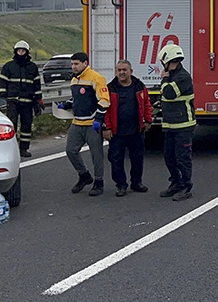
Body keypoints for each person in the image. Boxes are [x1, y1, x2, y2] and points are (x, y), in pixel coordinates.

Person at [57, 52, 110, 197]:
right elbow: (77, 99)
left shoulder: (96, 78)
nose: (73, 67)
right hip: (77, 122)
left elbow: (104, 100)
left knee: (96, 155)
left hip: (92, 123)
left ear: (85, 63)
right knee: (70, 150)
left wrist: (98, 119)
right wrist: (66, 104)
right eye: (72, 64)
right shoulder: (74, 80)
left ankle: (99, 182)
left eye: (76, 64)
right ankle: (84, 175)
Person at [103, 60, 153, 197]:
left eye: (124, 70)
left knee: (137, 159)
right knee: (116, 160)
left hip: (136, 130)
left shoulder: (139, 86)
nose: (122, 73)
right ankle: (121, 185)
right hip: (116, 132)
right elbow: (104, 110)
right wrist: (106, 128)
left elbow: (146, 104)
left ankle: (136, 182)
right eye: (119, 70)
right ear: (116, 72)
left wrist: (148, 120)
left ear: (131, 71)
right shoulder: (110, 88)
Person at [156, 44, 196, 201]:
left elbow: (169, 93)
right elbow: (166, 96)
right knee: (169, 157)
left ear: (167, 60)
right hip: (170, 125)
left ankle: (186, 187)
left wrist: (164, 79)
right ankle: (176, 183)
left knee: (182, 158)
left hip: (183, 125)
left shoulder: (182, 76)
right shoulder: (172, 75)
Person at [0, 40, 43, 158]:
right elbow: (2, 82)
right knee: (11, 125)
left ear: (27, 52)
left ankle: (24, 149)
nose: (21, 53)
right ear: (15, 51)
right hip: (12, 102)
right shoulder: (9, 66)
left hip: (27, 102)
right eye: (19, 50)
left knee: (26, 126)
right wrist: (4, 97)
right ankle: (10, 149)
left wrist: (38, 100)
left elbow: (36, 85)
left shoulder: (32, 67)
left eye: (23, 51)